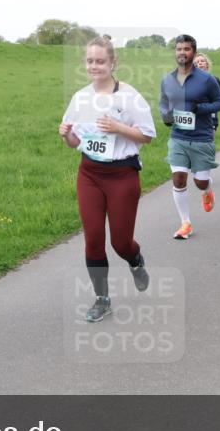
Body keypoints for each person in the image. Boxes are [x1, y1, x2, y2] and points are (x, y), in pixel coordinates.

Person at [59, 36, 156, 322]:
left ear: (113, 62)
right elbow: (76, 142)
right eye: (90, 61)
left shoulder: (129, 96)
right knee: (93, 240)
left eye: (100, 61)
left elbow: (147, 135)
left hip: (122, 174)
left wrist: (118, 127)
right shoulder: (80, 98)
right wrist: (67, 135)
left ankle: (135, 260)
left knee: (121, 243)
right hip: (90, 173)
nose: (94, 66)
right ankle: (102, 299)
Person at [159, 34, 220, 239]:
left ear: (193, 52)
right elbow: (163, 102)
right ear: (175, 52)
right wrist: (166, 115)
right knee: (178, 179)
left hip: (202, 138)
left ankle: (207, 190)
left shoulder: (207, 79)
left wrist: (200, 108)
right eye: (179, 49)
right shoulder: (168, 79)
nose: (182, 52)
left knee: (199, 182)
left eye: (186, 49)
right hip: (178, 136)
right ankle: (185, 223)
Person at [192, 52, 220, 131]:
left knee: (208, 142)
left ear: (207, 64)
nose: (200, 63)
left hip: (210, 120)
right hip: (193, 120)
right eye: (197, 62)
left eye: (202, 61)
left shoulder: (215, 80)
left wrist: (207, 106)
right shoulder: (190, 81)